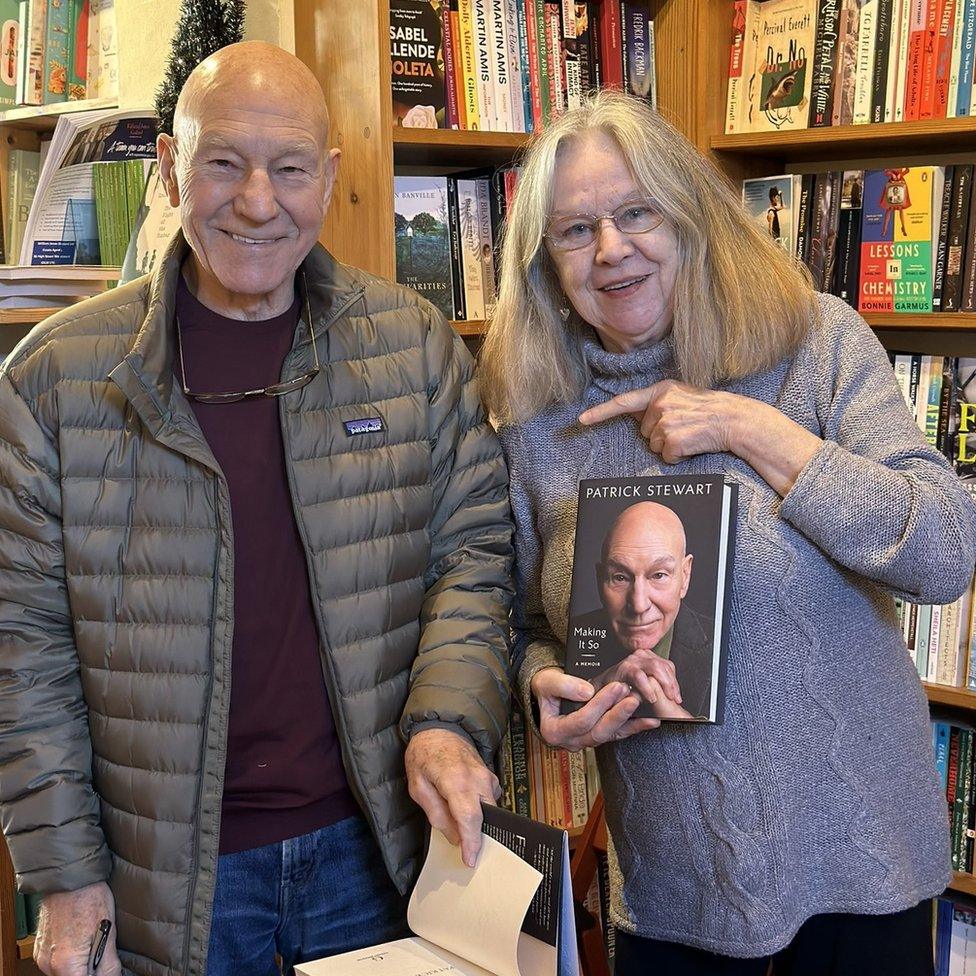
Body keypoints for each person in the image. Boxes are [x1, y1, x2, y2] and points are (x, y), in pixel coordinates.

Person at [0, 42, 513, 976]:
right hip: (167, 877)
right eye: (223, 163)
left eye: (288, 170)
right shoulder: (51, 380)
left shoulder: (416, 347)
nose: (257, 202)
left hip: (380, 854)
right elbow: (19, 650)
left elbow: (473, 559)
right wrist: (65, 878)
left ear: (329, 176)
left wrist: (446, 721)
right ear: (168, 167)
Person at [479, 89, 976, 975]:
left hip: (866, 863)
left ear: (692, 218)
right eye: (574, 231)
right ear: (544, 266)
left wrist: (749, 430)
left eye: (637, 213)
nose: (612, 250)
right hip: (677, 881)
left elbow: (943, 552)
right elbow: (524, 626)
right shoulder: (534, 429)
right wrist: (542, 686)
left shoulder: (816, 343)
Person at [573, 501, 710, 720]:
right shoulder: (570, 635)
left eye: (658, 575)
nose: (638, 605)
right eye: (620, 577)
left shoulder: (723, 645)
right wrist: (596, 686)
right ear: (600, 580)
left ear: (685, 577)